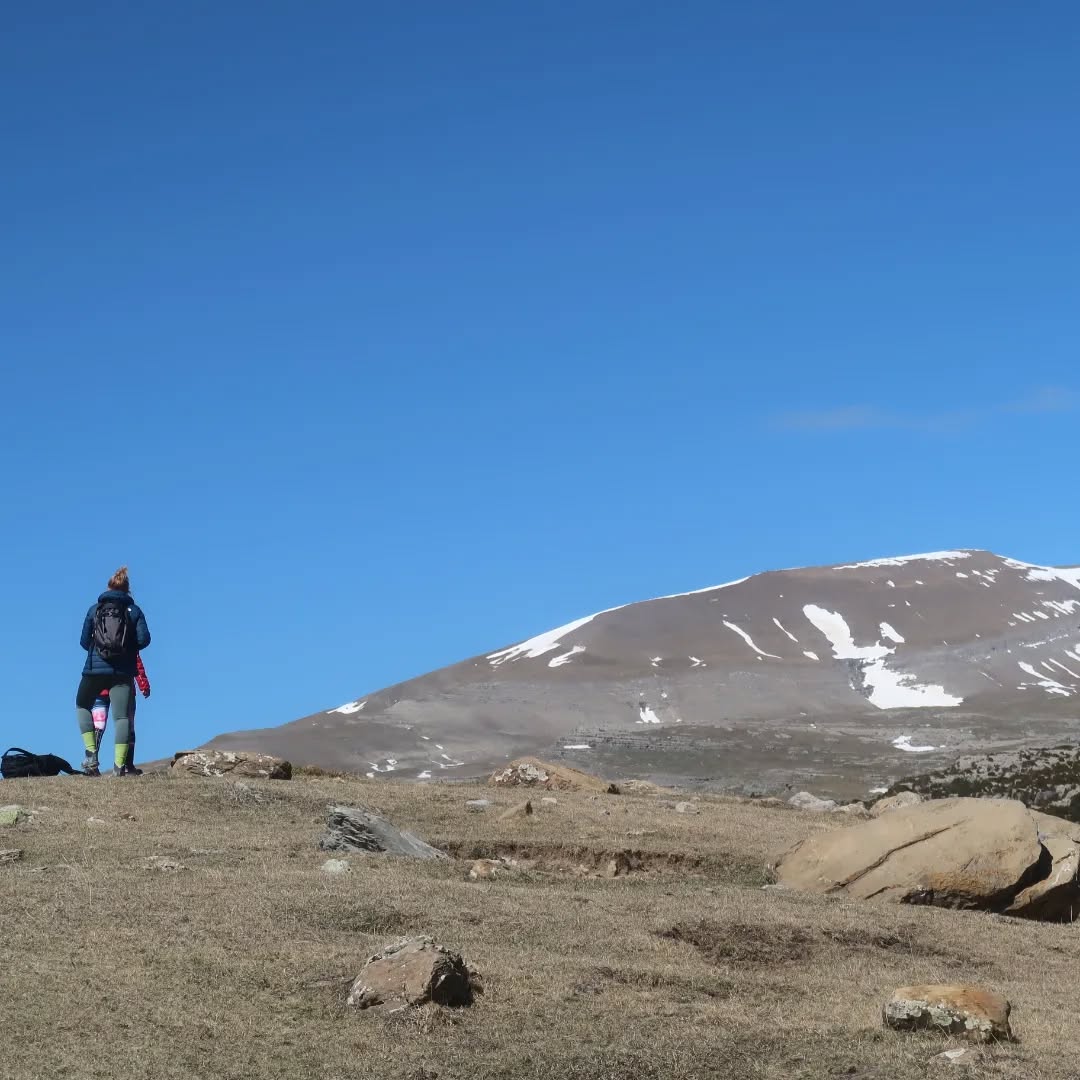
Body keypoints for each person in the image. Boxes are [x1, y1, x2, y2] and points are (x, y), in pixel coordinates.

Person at [76, 566, 151, 777]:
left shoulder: (94, 610)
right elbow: (145, 639)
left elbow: (83, 642)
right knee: (122, 718)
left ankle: (91, 757)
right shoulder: (134, 611)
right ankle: (119, 767)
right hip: (122, 672)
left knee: (82, 705)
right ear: (128, 589)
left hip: (94, 672)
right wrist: (127, 649)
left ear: (108, 587)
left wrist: (99, 650)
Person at [91, 653, 151, 773]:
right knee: (127, 725)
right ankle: (126, 765)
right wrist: (143, 684)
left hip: (99, 685)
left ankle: (91, 764)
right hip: (124, 687)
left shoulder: (96, 636)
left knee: (98, 726)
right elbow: (136, 660)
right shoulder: (127, 637)